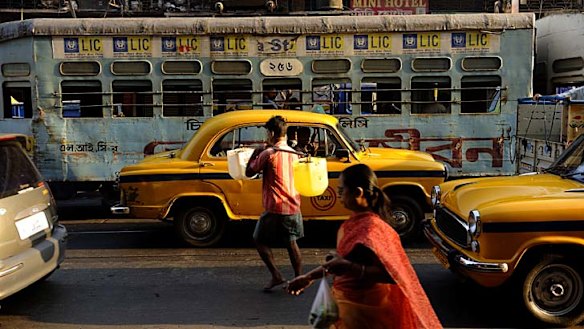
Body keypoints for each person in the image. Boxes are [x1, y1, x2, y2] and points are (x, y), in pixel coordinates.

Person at [287, 164, 442, 328]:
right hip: (348, 308)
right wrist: (309, 277)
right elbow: (342, 262)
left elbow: (391, 275)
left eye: (341, 190)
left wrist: (350, 267)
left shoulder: (373, 230)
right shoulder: (354, 223)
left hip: (367, 313)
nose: (340, 195)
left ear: (358, 192)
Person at [245, 115, 304, 291]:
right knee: (291, 243)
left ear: (271, 133)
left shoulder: (269, 154)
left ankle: (277, 275)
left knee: (259, 240)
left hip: (275, 206)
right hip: (293, 204)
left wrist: (256, 152)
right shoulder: (294, 153)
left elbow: (249, 172)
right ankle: (299, 278)